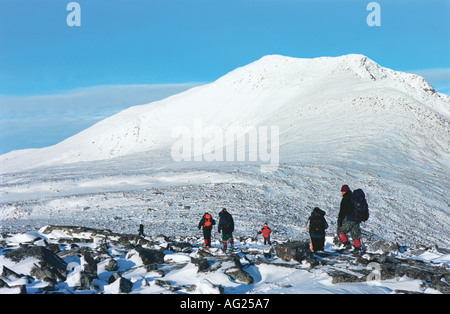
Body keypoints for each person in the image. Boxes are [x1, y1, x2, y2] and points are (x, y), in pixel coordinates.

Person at [337, 184, 362, 253]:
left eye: (342, 191)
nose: (341, 192)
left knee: (340, 230)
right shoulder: (354, 198)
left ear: (344, 191)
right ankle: (358, 249)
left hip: (349, 219)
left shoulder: (345, 198)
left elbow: (342, 211)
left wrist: (340, 220)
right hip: (357, 219)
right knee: (355, 234)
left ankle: (346, 244)